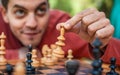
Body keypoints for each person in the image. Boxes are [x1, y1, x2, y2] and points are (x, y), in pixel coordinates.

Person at [0, 0, 120, 65]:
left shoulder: (61, 28)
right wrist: (18, 55)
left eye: (41, 10)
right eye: (20, 12)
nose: (32, 24)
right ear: (4, 13)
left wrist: (102, 44)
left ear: (49, 8)